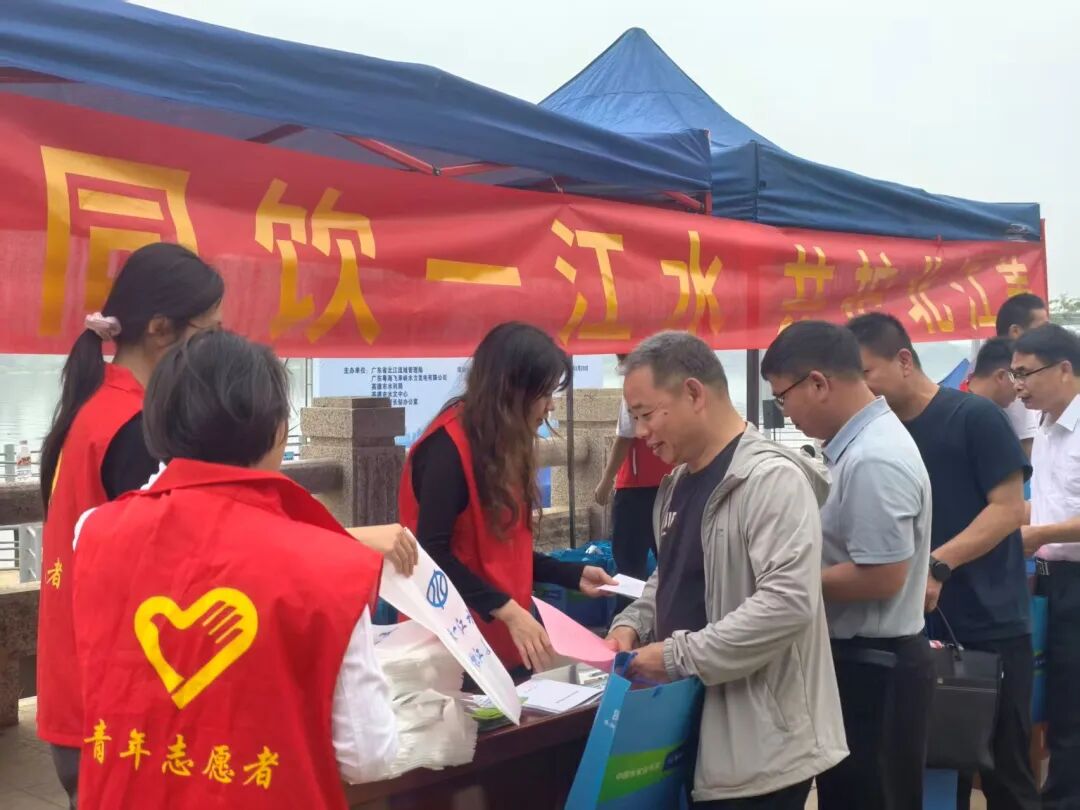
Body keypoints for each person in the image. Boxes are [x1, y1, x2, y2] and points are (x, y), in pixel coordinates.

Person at [70, 330, 399, 809]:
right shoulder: (333, 568)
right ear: (278, 430)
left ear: (157, 425)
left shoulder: (93, 532)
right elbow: (369, 756)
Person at [605, 331, 847, 809]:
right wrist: (632, 622)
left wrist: (675, 656)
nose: (642, 432)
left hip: (759, 748)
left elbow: (786, 604)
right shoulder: (678, 482)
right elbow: (670, 574)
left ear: (694, 393)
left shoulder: (770, 480)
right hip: (691, 728)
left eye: (646, 414)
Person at [36, 243, 224, 808]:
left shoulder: (99, 404)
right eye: (210, 331)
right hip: (115, 706)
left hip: (79, 690)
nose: (217, 347)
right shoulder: (135, 428)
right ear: (161, 329)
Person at [848, 312, 1039, 810]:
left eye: (866, 373)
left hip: (989, 624)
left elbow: (1008, 509)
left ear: (904, 360)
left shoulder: (975, 417)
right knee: (931, 770)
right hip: (913, 633)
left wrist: (937, 564)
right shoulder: (877, 437)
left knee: (1005, 769)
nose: (861, 388)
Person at [761, 321, 933, 810]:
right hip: (866, 661)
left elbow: (882, 575)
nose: (785, 412)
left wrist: (786, 586)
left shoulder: (874, 457)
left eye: (782, 397)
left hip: (875, 668)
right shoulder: (860, 446)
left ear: (818, 383)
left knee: (871, 795)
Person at [398, 322, 615, 676]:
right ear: (512, 391)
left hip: (505, 641)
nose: (550, 406)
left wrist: (572, 574)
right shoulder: (445, 450)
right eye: (544, 394)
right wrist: (507, 609)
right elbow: (430, 556)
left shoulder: (501, 445)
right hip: (451, 652)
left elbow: (502, 550)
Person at [1012, 323, 1080, 808]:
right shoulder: (1045, 428)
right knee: (1057, 699)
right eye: (1013, 374)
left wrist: (1038, 535)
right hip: (1051, 582)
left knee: (1073, 706)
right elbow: (1049, 505)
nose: (1018, 385)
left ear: (1065, 369)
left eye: (1026, 373)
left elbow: (1048, 523)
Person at [594, 354, 674, 606]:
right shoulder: (671, 384)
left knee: (630, 568)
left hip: (638, 488)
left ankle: (630, 620)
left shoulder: (635, 389)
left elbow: (625, 437)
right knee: (671, 562)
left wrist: (605, 481)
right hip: (671, 484)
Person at [996, 293, 1050, 457]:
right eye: (1042, 329)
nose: (1047, 335)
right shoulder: (1017, 372)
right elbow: (1027, 443)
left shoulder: (987, 361)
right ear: (1015, 331)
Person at [968, 337, 1020, 410]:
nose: (1020, 388)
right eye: (1019, 378)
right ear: (1001, 376)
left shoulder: (955, 404)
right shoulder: (981, 413)